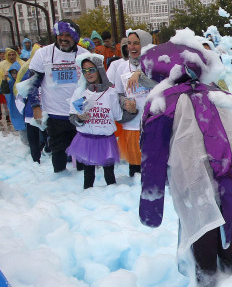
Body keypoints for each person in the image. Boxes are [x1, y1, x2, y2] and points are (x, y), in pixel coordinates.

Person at [138, 36, 232, 287]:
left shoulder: (163, 101)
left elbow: (153, 152)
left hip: (194, 176)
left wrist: (151, 205)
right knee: (230, 245)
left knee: (203, 238)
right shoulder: (224, 95)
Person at [25, 19, 89, 172]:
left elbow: (93, 82)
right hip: (55, 114)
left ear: (75, 37)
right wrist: (35, 107)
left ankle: (85, 189)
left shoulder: (84, 55)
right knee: (58, 151)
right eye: (60, 34)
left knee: (81, 152)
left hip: (79, 112)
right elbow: (32, 83)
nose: (63, 38)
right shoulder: (43, 54)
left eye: (68, 35)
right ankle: (60, 180)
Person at [66, 54, 137, 189]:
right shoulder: (80, 92)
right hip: (86, 140)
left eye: (91, 69)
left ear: (99, 70)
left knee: (109, 175)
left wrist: (133, 112)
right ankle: (88, 198)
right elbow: (72, 116)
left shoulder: (111, 93)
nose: (88, 74)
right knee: (88, 174)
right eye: (85, 70)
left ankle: (111, 200)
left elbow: (119, 116)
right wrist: (79, 118)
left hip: (105, 140)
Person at [112, 29, 154, 176]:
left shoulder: (154, 64)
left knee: (152, 165)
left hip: (152, 120)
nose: (132, 47)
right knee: (135, 168)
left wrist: (139, 75)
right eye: (129, 43)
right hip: (132, 123)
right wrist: (125, 104)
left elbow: (160, 84)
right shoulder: (122, 67)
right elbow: (118, 93)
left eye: (136, 43)